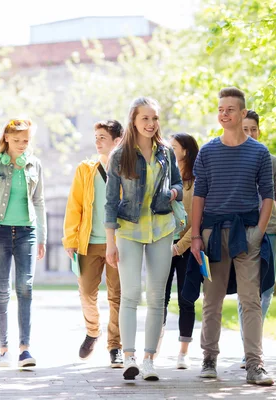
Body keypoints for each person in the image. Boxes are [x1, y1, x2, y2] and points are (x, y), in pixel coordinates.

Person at [191, 87, 275, 385]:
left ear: (242, 114)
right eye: (220, 109)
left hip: (246, 234)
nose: (223, 114)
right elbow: (198, 196)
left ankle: (255, 365)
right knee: (211, 301)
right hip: (212, 234)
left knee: (250, 300)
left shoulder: (259, 152)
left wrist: (259, 233)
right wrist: (196, 236)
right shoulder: (208, 151)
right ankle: (208, 358)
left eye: (230, 109)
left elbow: (268, 196)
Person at [104, 97, 183, 381]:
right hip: (129, 230)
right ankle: (129, 358)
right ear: (133, 121)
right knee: (130, 295)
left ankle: (150, 359)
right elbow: (111, 201)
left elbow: (178, 185)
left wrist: (173, 193)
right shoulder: (120, 155)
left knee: (157, 296)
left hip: (162, 228)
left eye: (154, 119)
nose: (151, 124)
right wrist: (111, 242)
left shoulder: (165, 152)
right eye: (145, 119)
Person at [0, 118, 46, 368]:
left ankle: (25, 349)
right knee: (2, 290)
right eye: (16, 140)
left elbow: (40, 202)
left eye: (26, 140)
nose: (22, 145)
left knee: (25, 287)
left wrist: (42, 237)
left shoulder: (34, 164)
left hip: (27, 231)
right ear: (6, 138)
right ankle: (4, 349)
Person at [63, 119, 124, 367]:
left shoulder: (126, 170)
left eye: (102, 137)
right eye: (96, 136)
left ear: (117, 141)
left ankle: (115, 346)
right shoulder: (85, 169)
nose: (97, 141)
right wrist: (71, 238)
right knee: (87, 293)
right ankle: (92, 331)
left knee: (116, 297)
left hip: (119, 244)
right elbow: (74, 205)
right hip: (89, 242)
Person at [237, 109, 276, 368]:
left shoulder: (270, 160)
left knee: (266, 291)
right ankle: (251, 349)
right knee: (246, 293)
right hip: (242, 231)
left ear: (260, 131)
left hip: (269, 231)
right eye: (245, 129)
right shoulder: (232, 158)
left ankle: (252, 343)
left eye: (254, 129)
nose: (250, 134)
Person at [161, 133, 199, 369]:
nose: (169, 151)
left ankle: (183, 353)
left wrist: (180, 246)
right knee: (159, 300)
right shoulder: (163, 178)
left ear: (185, 151)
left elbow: (198, 218)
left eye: (173, 147)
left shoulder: (196, 182)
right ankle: (153, 351)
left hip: (185, 248)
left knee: (187, 300)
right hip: (162, 246)